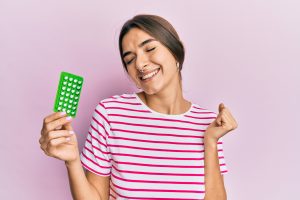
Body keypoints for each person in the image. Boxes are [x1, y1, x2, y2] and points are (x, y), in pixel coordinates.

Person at [39, 14, 238, 200]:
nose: (140, 64)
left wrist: (210, 141)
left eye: (150, 49)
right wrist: (72, 161)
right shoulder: (110, 114)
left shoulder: (208, 123)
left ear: (177, 52)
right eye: (130, 59)